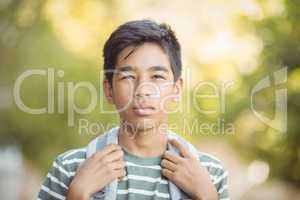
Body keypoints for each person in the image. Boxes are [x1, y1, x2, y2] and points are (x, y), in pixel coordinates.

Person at [37, 19, 229, 200]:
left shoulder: (208, 173)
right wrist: (77, 195)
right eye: (127, 76)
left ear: (176, 89)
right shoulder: (70, 168)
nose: (143, 90)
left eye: (157, 77)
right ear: (109, 90)